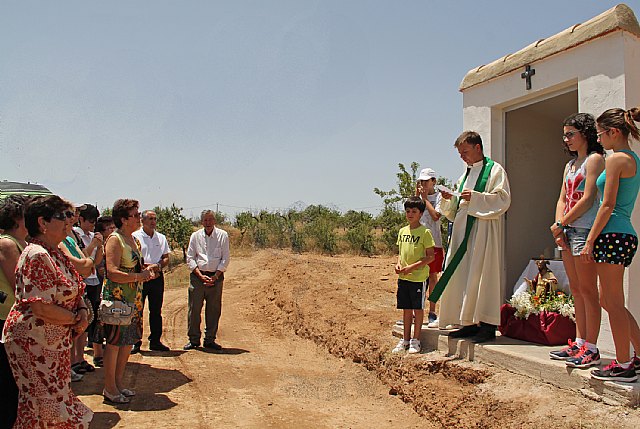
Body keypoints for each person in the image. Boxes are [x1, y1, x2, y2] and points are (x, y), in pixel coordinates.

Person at [1, 195, 93, 428]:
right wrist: (75, 319)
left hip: (52, 341)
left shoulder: (55, 251)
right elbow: (40, 307)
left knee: (50, 404)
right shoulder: (37, 254)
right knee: (45, 406)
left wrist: (81, 309)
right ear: (42, 223)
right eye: (62, 216)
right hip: (34, 343)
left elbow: (74, 287)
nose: (68, 222)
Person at [433, 131, 511, 343]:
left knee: (482, 275)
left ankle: (486, 325)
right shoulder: (464, 176)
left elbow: (502, 199)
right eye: (460, 154)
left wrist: (476, 198)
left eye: (465, 152)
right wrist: (449, 199)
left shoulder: (495, 170)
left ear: (478, 148)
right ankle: (466, 322)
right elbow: (452, 210)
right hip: (461, 234)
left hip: (483, 231)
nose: (463, 157)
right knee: (463, 276)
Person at [582, 107, 640, 382]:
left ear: (614, 132)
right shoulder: (632, 159)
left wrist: (589, 240)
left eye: (600, 134)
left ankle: (624, 364)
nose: (599, 139)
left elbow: (607, 205)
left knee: (614, 302)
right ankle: (636, 355)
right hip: (622, 233)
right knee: (610, 300)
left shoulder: (617, 159)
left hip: (612, 233)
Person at [548, 113, 605, 369]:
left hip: (585, 230)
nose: (567, 139)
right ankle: (580, 341)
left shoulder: (594, 160)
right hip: (569, 231)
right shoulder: (569, 165)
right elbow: (562, 197)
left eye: (571, 133)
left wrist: (562, 222)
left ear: (585, 133)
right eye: (565, 134)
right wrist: (559, 225)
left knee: (589, 290)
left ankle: (592, 347)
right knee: (577, 290)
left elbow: (589, 197)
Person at [101, 199, 156, 404]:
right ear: (124, 219)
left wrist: (147, 269)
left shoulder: (133, 240)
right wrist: (138, 277)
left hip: (133, 300)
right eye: (135, 215)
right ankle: (109, 387)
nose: (138, 217)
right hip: (118, 300)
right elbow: (112, 272)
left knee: (126, 344)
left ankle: (118, 383)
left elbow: (134, 266)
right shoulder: (115, 240)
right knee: (114, 344)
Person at [392, 196, 435, 354]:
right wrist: (399, 264)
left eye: (414, 211)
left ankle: (416, 340)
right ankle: (405, 339)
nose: (410, 214)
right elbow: (400, 253)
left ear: (421, 213)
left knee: (417, 309)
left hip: (418, 278)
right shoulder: (402, 231)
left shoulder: (425, 232)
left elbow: (431, 256)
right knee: (406, 309)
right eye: (408, 211)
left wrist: (413, 267)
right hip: (403, 278)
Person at [0, 195, 29, 429]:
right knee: (9, 384)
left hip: (17, 320)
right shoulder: (8, 244)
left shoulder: (22, 244)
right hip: (5, 320)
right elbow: (20, 286)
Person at [59, 205, 96, 379]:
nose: (71, 217)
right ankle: (70, 364)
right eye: (67, 214)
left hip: (79, 288)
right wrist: (86, 263)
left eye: (73, 213)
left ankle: (77, 360)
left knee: (81, 325)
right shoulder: (60, 240)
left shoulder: (72, 238)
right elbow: (82, 263)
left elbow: (85, 263)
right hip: (68, 293)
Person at [184, 210, 230, 351]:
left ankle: (210, 339)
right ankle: (193, 340)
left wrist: (215, 276)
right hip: (198, 277)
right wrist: (200, 275)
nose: (208, 223)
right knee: (194, 308)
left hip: (216, 277)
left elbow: (225, 258)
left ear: (214, 221)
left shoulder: (222, 235)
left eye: (210, 220)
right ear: (201, 221)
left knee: (214, 310)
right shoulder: (195, 236)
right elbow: (190, 258)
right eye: (205, 220)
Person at [132, 210, 171, 352]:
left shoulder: (161, 238)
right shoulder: (134, 237)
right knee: (137, 309)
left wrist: (158, 266)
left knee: (156, 310)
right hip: (140, 276)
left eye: (154, 218)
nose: (153, 221)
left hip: (156, 277)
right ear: (142, 221)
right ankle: (135, 341)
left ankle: (155, 341)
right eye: (150, 218)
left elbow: (166, 257)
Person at [74, 204, 105, 367]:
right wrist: (93, 244)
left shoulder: (93, 235)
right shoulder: (76, 235)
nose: (93, 224)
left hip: (94, 280)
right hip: (83, 280)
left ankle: (82, 358)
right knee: (81, 320)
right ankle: (77, 358)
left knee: (91, 320)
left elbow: (97, 260)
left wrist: (99, 246)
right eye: (91, 220)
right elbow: (82, 256)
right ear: (81, 220)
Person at [415, 167, 444, 328]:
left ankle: (432, 311)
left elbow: (436, 216)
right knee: (418, 278)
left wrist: (425, 199)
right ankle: (415, 312)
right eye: (422, 181)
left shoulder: (439, 197)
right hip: (419, 244)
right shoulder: (417, 197)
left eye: (427, 181)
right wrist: (419, 197)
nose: (424, 184)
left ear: (433, 181)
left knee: (433, 277)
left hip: (434, 243)